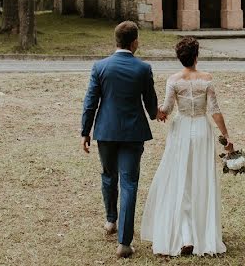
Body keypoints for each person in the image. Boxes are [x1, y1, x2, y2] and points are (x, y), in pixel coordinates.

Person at [141, 36, 232, 256]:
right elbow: (215, 110)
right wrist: (226, 135)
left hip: (181, 130)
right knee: (200, 179)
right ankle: (200, 234)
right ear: (196, 56)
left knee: (180, 178)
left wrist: (158, 113)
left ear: (180, 58)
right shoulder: (207, 78)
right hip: (201, 129)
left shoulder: (173, 80)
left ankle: (184, 235)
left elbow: (167, 108)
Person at [81, 21, 158, 259]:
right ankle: (124, 242)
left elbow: (90, 101)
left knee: (108, 175)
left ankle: (110, 220)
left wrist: (85, 131)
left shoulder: (100, 67)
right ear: (134, 42)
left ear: (116, 41)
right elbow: (151, 104)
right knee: (129, 183)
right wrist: (158, 114)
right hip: (133, 133)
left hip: (105, 131)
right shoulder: (143, 68)